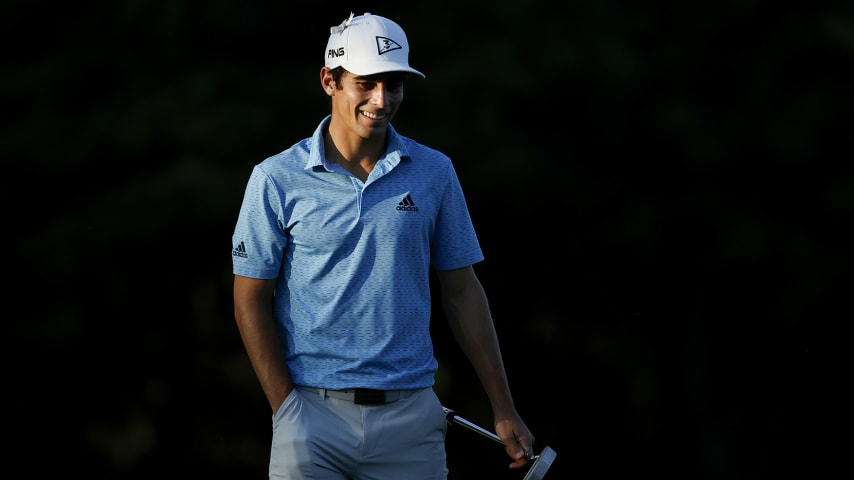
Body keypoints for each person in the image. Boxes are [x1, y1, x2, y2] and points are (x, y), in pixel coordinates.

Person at [231, 11, 535, 479]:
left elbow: (462, 291)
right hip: (311, 416)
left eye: (393, 85)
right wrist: (285, 408)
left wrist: (503, 405)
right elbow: (250, 298)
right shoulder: (275, 178)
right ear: (329, 80)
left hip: (410, 419)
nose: (381, 99)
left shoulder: (434, 172)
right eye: (366, 83)